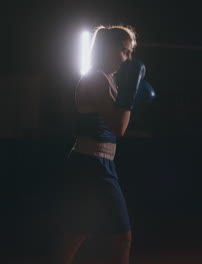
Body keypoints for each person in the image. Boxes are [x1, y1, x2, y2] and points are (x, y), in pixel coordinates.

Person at [54, 25, 145, 264]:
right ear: (108, 49)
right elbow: (119, 128)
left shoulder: (109, 80)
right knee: (121, 237)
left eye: (130, 52)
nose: (128, 58)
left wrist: (129, 91)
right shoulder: (95, 78)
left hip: (97, 164)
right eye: (124, 51)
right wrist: (130, 91)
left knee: (76, 234)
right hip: (91, 164)